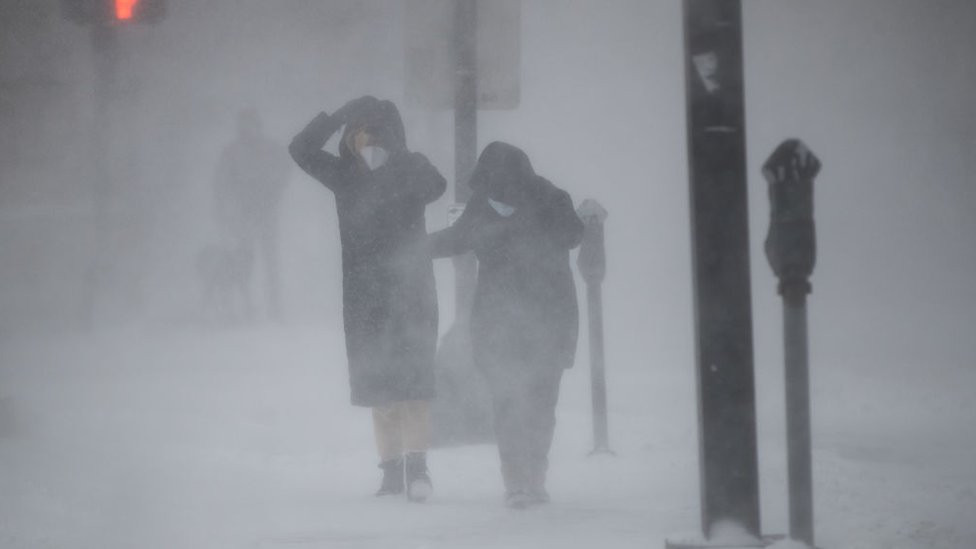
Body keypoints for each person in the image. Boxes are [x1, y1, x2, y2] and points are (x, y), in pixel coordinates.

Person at [289, 96, 446, 502]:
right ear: (348, 138)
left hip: (412, 294)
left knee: (414, 389)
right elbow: (300, 150)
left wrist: (402, 155)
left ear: (393, 137)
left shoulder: (411, 169)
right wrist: (337, 115)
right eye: (359, 131)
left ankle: (418, 469)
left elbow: (437, 185)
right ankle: (391, 472)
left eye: (377, 132)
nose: (367, 141)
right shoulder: (345, 176)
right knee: (381, 392)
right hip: (365, 297)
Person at [429, 141, 583, 508]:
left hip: (548, 320)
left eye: (499, 186)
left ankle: (535, 476)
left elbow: (574, 234)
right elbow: (455, 239)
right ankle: (516, 480)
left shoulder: (551, 198)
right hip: (499, 324)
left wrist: (523, 223)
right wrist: (409, 246)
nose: (494, 195)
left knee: (541, 404)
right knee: (507, 402)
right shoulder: (483, 205)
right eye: (488, 188)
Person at [213, 109, 291, 320]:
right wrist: (224, 210)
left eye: (251, 124)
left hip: (266, 213)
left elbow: (284, 172)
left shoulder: (271, 149)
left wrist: (273, 193)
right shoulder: (232, 152)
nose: (248, 129)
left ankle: (275, 308)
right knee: (242, 263)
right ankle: (244, 308)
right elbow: (221, 182)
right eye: (244, 124)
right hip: (242, 215)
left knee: (269, 261)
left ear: (258, 126)